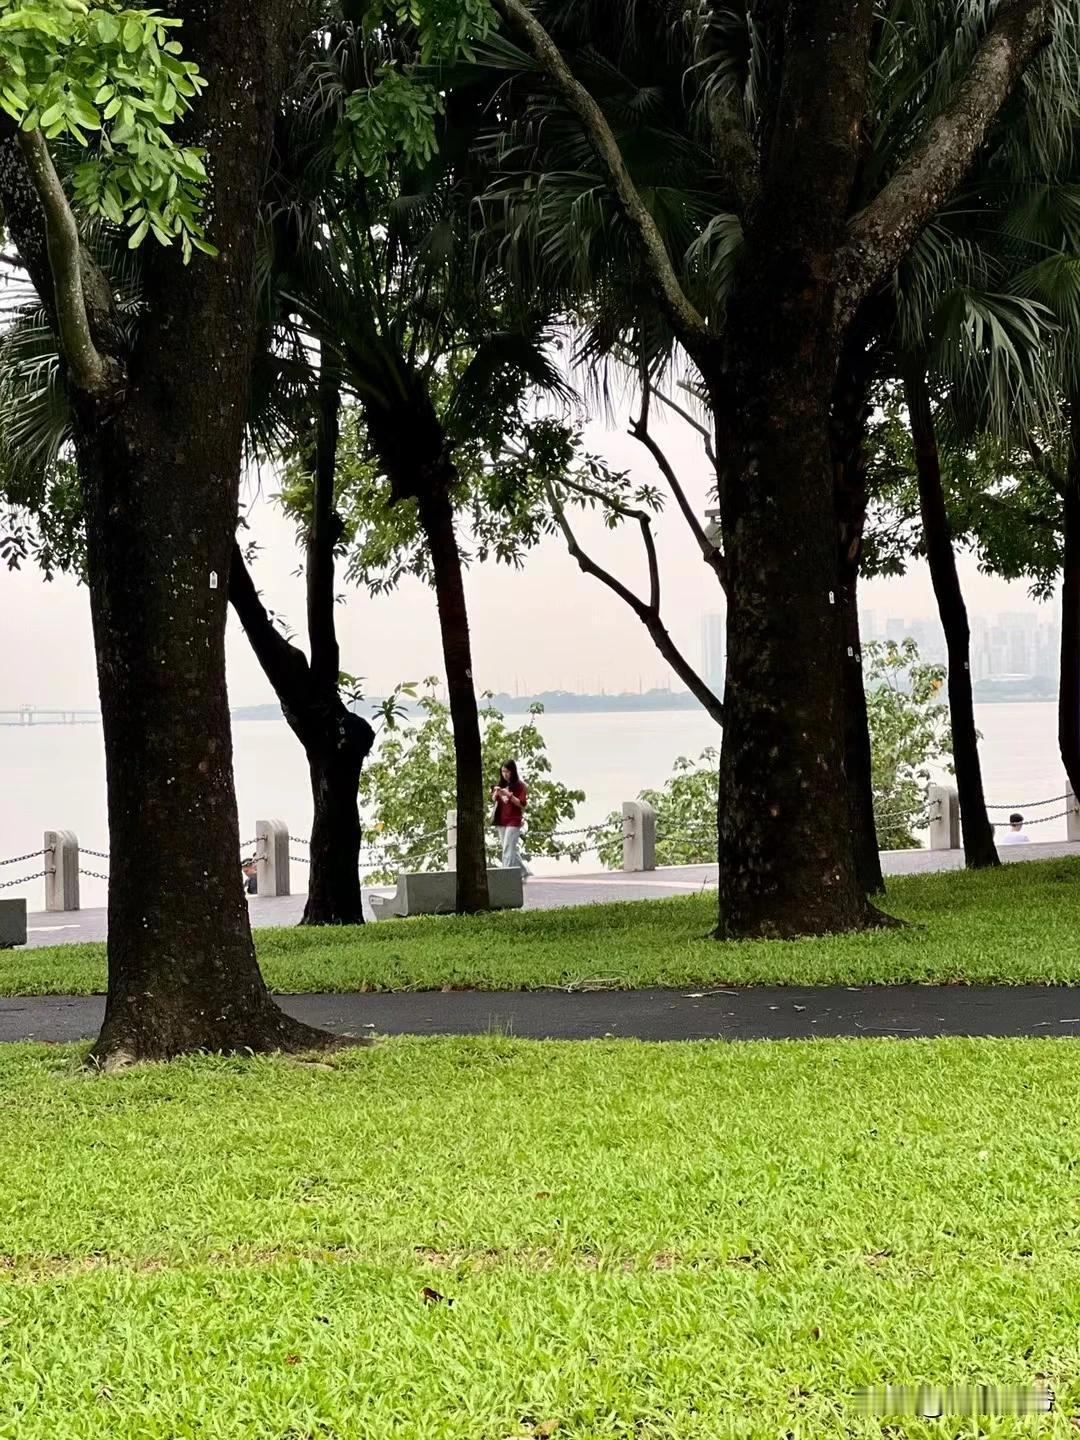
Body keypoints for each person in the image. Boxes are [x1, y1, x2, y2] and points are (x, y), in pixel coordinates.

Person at [491, 760, 531, 876]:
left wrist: (509, 794)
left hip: (513, 820)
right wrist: (497, 793)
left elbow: (521, 803)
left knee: (508, 848)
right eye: (503, 771)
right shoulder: (501, 785)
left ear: (513, 772)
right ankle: (523, 871)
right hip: (501, 820)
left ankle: (506, 875)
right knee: (508, 847)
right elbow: (494, 799)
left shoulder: (520, 786)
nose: (505, 774)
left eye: (507, 771)